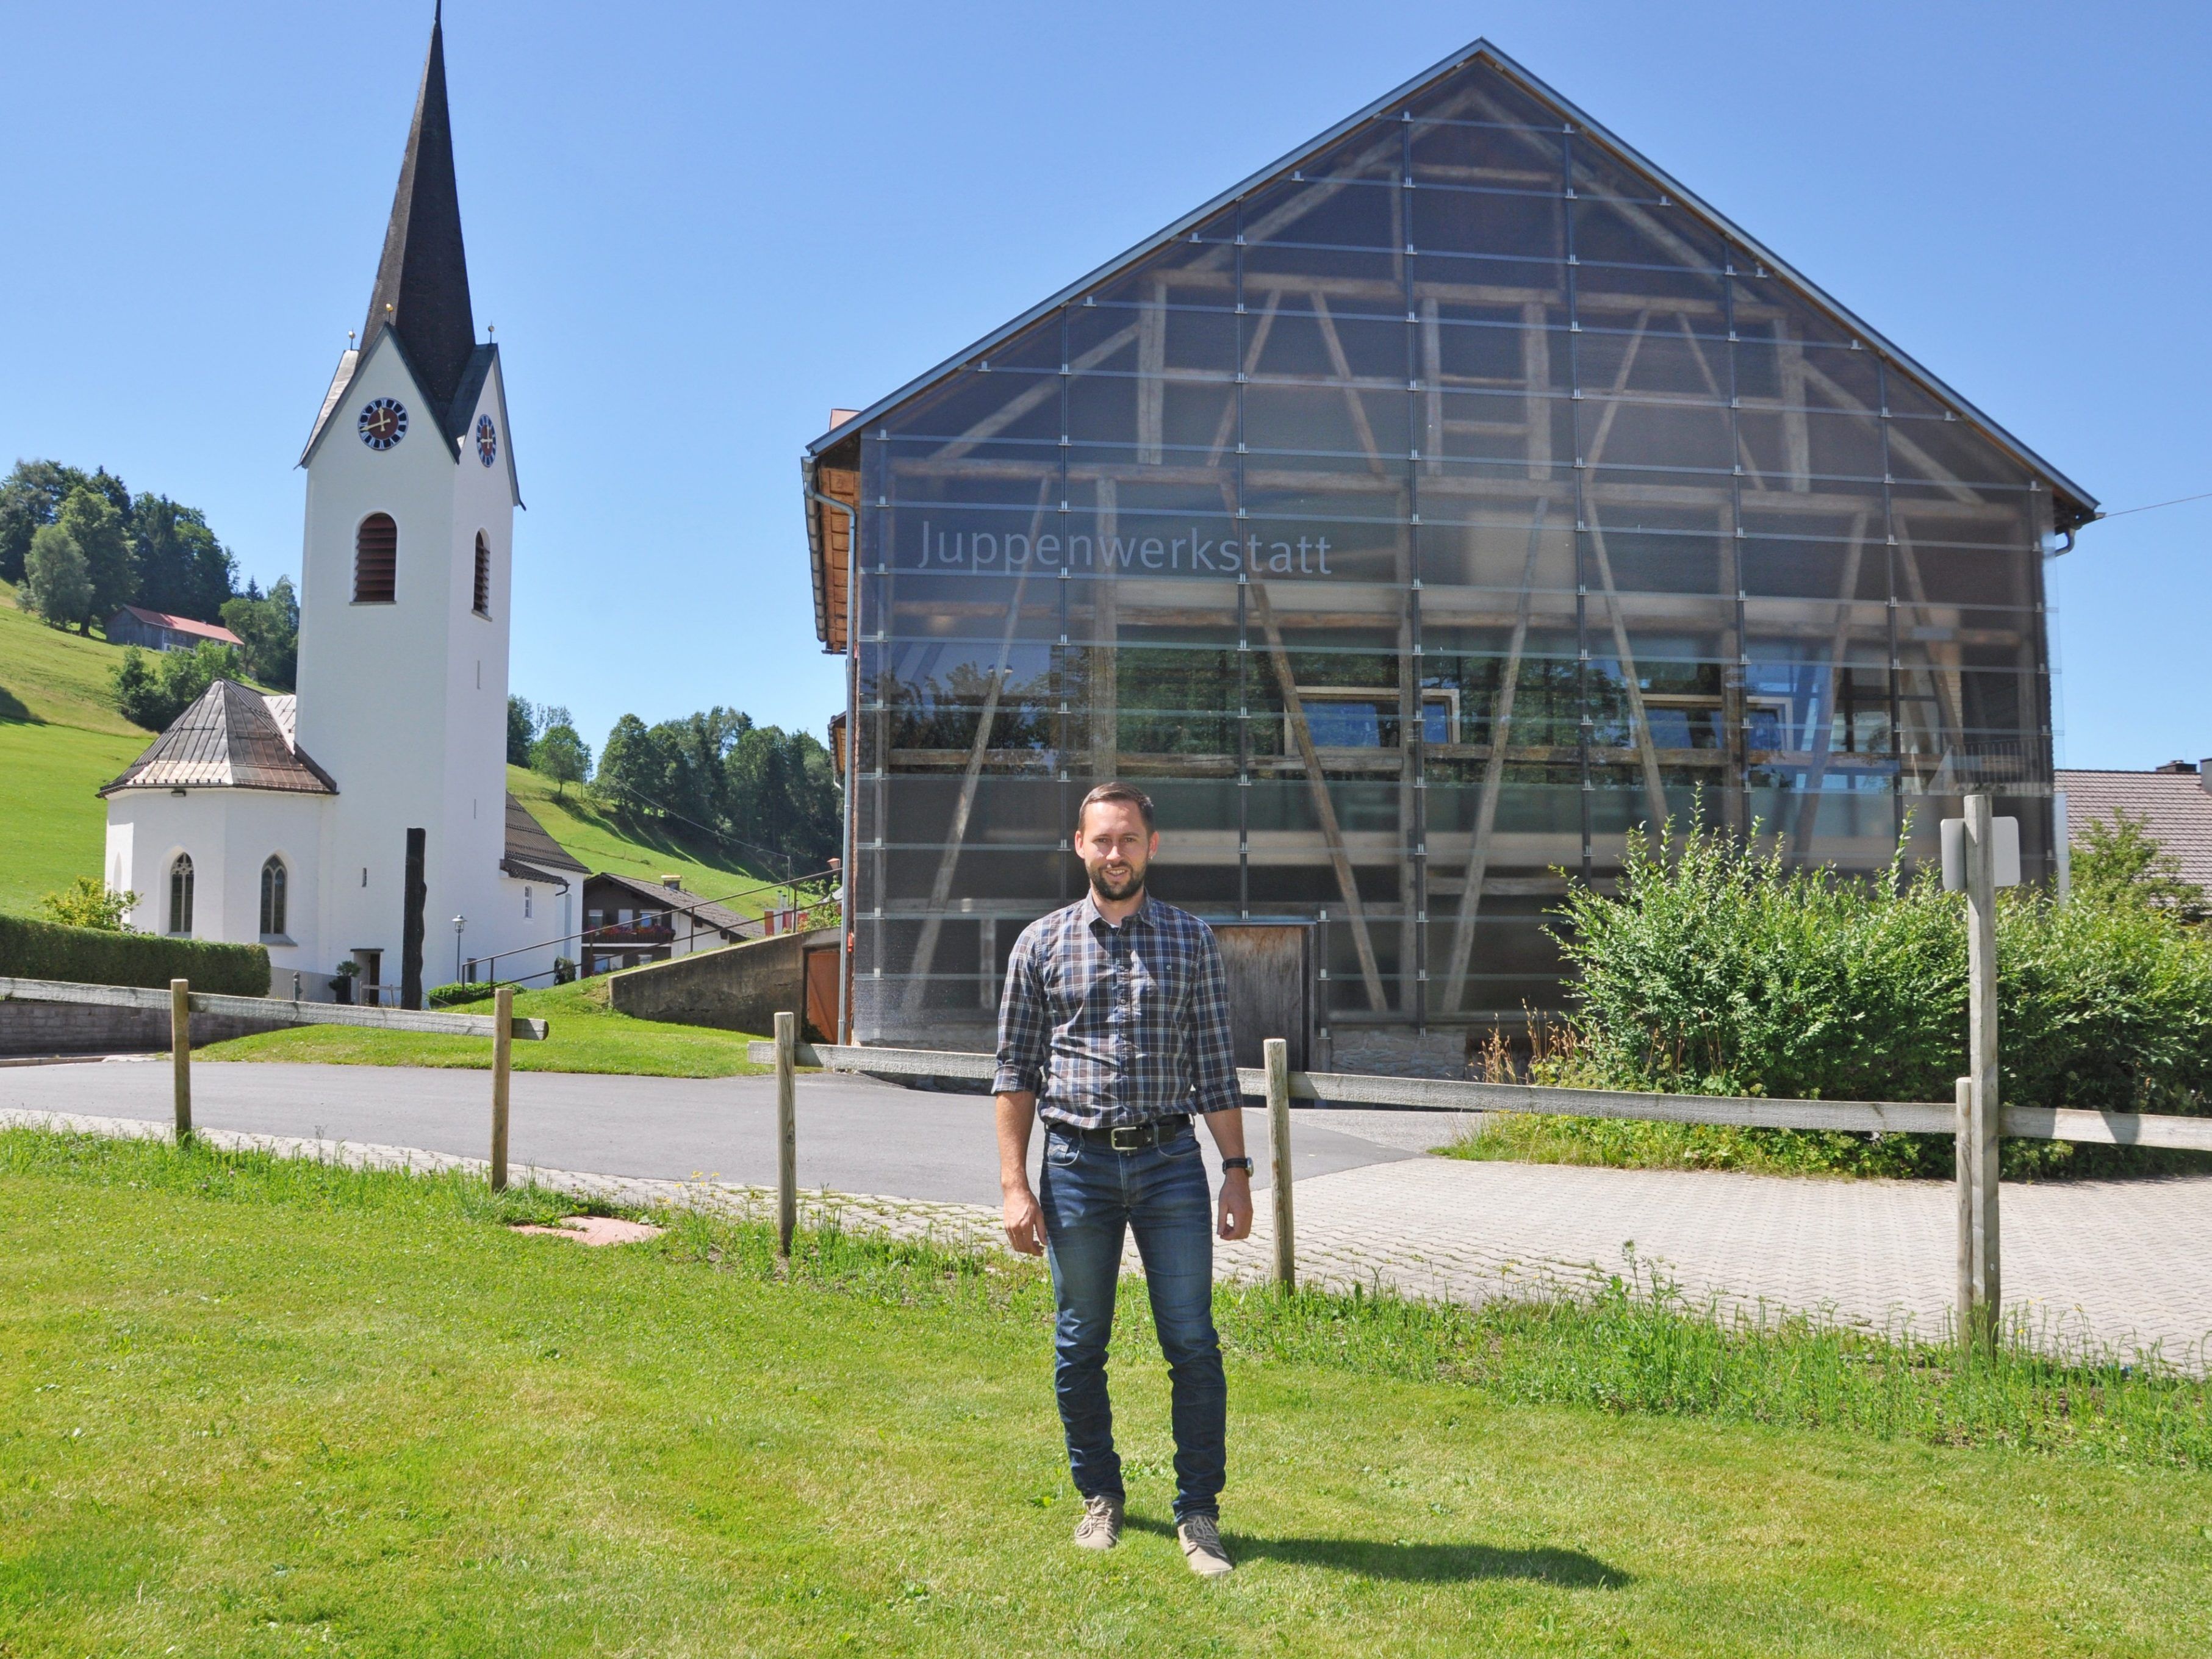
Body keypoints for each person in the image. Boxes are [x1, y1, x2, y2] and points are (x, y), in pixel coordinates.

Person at [993, 780, 1253, 1578]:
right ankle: (1099, 1497)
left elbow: (1214, 1066)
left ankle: (1197, 1515)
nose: (1114, 853)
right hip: (1074, 1167)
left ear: (1151, 847)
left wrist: (1236, 1172)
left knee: (1192, 1344)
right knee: (1080, 1343)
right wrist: (1013, 1185)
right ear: (1079, 847)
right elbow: (1013, 1073)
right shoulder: (1037, 946)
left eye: (1127, 839)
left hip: (1172, 1164)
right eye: (1100, 840)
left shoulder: (1191, 940)